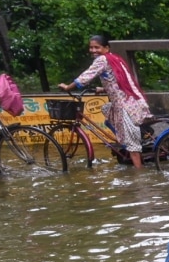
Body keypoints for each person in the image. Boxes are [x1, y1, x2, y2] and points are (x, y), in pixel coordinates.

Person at [58, 34, 152, 168]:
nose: (93, 50)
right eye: (91, 48)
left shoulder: (102, 60)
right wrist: (103, 89)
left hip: (125, 104)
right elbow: (118, 81)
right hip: (132, 100)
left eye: (97, 47)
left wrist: (68, 87)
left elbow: (86, 76)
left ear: (106, 48)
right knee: (106, 109)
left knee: (133, 147)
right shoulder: (115, 58)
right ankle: (126, 139)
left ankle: (140, 176)